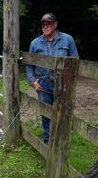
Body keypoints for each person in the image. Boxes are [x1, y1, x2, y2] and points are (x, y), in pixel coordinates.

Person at [26, 13, 79, 144]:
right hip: (43, 84)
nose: (45, 27)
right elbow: (28, 64)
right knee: (46, 113)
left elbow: (75, 62)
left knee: (62, 112)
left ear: (55, 24)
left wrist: (70, 82)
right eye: (43, 25)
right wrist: (32, 81)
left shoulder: (67, 40)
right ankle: (48, 141)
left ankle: (60, 141)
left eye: (48, 24)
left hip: (62, 83)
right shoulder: (35, 43)